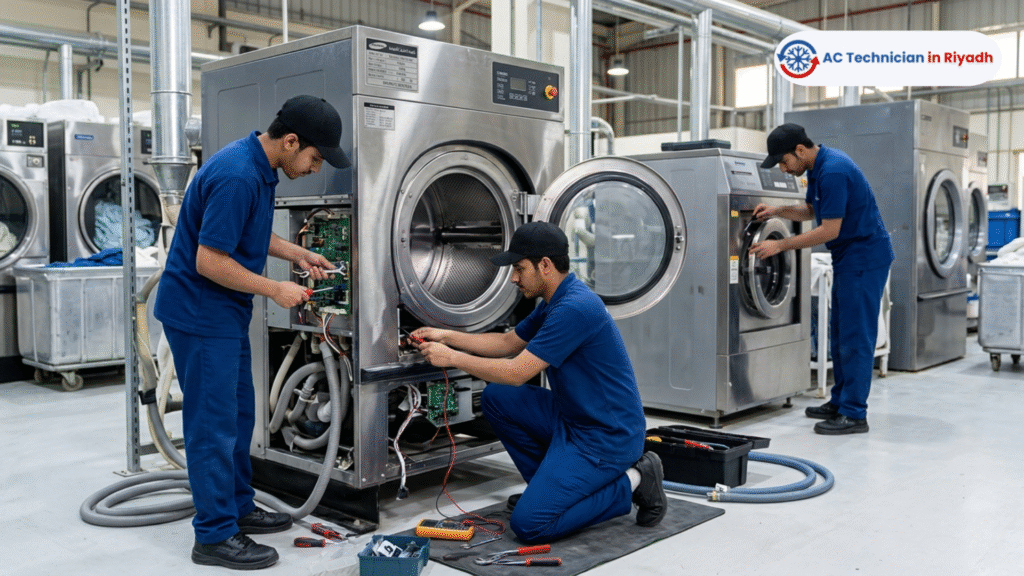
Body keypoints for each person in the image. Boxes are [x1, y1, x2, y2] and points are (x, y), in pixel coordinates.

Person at [154, 95, 351, 569]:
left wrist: (298, 255)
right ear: (290, 141)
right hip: (202, 316)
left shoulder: (258, 169)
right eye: (314, 157)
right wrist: (275, 290)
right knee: (212, 427)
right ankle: (215, 536)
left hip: (224, 315)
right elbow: (209, 260)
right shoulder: (238, 175)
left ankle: (237, 507)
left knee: (240, 416)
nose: (314, 166)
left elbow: (249, 233)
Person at [412, 221, 667, 543]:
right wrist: (446, 335)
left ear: (544, 265)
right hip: (573, 419)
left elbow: (517, 372)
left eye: (519, 268)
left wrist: (452, 358)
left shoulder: (575, 307)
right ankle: (548, 496)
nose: (514, 278)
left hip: (606, 436)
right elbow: (507, 344)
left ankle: (634, 480)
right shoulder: (555, 301)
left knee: (531, 526)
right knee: (498, 397)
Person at [751, 123, 893, 435]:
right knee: (841, 332)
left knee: (855, 336)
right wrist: (778, 210)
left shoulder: (833, 170)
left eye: (785, 162)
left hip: (864, 258)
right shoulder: (819, 167)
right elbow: (812, 209)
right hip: (849, 258)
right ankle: (840, 401)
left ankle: (855, 414)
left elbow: (830, 229)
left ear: (800, 150)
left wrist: (780, 244)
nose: (785, 170)